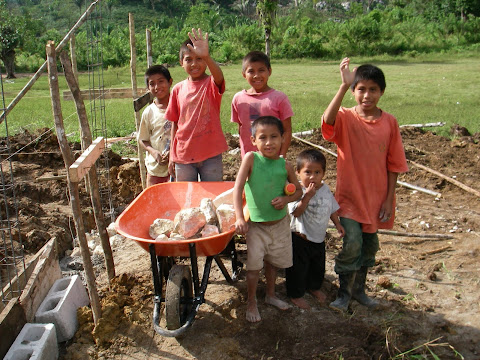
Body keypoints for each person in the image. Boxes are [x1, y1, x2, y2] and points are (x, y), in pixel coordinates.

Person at [322, 58, 408, 312]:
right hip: (349, 197)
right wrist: (342, 86)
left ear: (382, 92)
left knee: (370, 245)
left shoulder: (390, 122)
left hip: (377, 198)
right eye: (361, 89)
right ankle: (343, 293)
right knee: (352, 243)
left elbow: (394, 164)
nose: (367, 95)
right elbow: (327, 123)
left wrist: (388, 199)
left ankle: (359, 290)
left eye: (373, 89)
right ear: (353, 91)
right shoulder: (346, 117)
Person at [233, 116, 302, 322]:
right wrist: (239, 217)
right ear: (253, 140)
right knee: (254, 267)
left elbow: (298, 191)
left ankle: (271, 295)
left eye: (274, 137)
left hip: (280, 224)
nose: (269, 142)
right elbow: (237, 188)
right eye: (263, 137)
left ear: (283, 138)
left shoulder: (285, 165)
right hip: (256, 226)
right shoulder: (251, 159)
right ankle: (251, 301)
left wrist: (286, 199)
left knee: (273, 263)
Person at [165, 28, 228, 181]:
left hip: (210, 154)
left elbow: (219, 77)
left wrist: (206, 56)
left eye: (199, 59)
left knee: (213, 196)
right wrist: (172, 155)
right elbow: (175, 123)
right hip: (184, 155)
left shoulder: (211, 84)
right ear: (181, 63)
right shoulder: (177, 89)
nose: (194, 64)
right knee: (187, 197)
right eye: (188, 59)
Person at [286, 149, 345, 310]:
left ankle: (313, 287)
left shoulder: (325, 189)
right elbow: (296, 212)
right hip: (300, 238)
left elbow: (331, 208)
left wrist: (338, 224)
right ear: (298, 172)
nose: (313, 177)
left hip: (319, 237)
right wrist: (307, 197)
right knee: (297, 268)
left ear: (324, 173)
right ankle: (296, 294)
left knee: (317, 266)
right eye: (308, 172)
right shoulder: (297, 191)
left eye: (317, 172)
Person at [231, 51, 294, 158]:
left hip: (273, 158)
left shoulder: (279, 98)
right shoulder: (238, 99)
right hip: (249, 159)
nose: (257, 75)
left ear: (269, 71)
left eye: (261, 70)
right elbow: (241, 128)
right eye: (251, 71)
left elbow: (287, 130)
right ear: (244, 74)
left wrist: (282, 156)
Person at [137, 65, 173, 187]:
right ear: (148, 87)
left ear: (170, 82)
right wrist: (153, 152)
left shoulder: (179, 107)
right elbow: (142, 139)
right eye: (152, 84)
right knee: (153, 199)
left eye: (161, 81)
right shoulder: (149, 112)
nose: (157, 87)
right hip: (155, 168)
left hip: (177, 166)